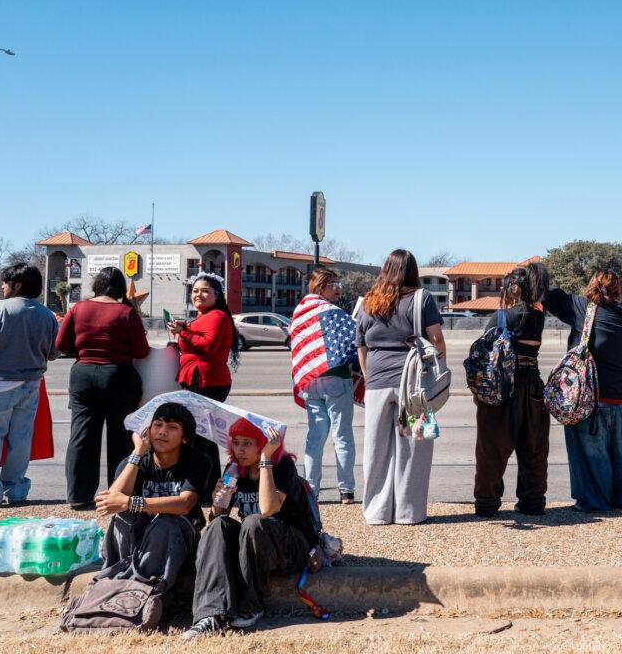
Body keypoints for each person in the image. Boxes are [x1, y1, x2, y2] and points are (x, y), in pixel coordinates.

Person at [184, 420, 316, 638]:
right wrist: (219, 502)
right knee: (219, 526)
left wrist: (265, 460)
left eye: (248, 443)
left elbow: (268, 509)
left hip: (291, 544)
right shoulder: (234, 468)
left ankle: (252, 605)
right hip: (255, 544)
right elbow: (218, 517)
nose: (240, 450)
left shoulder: (283, 466)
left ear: (264, 444)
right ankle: (210, 614)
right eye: (236, 443)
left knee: (253, 522)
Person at [355, 249, 446, 525]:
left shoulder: (369, 301)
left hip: (377, 381)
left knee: (375, 449)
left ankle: (377, 511)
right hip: (414, 384)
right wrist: (436, 368)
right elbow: (437, 339)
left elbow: (361, 345)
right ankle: (409, 512)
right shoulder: (422, 298)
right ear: (413, 271)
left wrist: (370, 375)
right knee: (414, 448)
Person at [544, 269, 622, 512]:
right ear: (617, 290)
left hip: (592, 396)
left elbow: (551, 296)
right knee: (617, 453)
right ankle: (617, 499)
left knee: (589, 455)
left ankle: (593, 501)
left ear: (592, 286)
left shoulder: (584, 309)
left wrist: (536, 273)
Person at [57, 266, 150, 509]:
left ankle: (78, 496)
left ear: (96, 285)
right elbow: (141, 351)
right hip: (118, 375)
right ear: (120, 288)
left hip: (83, 373)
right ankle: (118, 493)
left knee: (82, 435)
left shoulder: (77, 308)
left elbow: (61, 343)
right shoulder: (126, 312)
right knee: (122, 436)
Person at [0, 264, 59, 507]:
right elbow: (53, 352)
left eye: (5, 282)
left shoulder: (0, 309)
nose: (2, 286)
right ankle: (16, 490)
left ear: (17, 285)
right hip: (31, 384)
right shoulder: (47, 314)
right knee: (21, 438)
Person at [95, 403, 210, 594]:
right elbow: (111, 502)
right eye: (157, 425)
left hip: (179, 539)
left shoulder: (198, 461)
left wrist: (132, 502)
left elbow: (184, 505)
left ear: (185, 438)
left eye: (172, 427)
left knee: (165, 522)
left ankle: (148, 590)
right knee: (123, 518)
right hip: (139, 539)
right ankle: (119, 580)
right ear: (147, 430)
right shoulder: (135, 460)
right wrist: (137, 453)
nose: (162, 432)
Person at [474, 266, 549, 517]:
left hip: (503, 390)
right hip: (534, 388)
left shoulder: (503, 317)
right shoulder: (538, 315)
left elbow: (483, 355)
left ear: (514, 287)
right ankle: (533, 501)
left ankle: (487, 503)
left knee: (491, 451)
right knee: (534, 450)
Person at [291, 267, 358, 504]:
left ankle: (311, 490)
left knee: (315, 437)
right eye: (335, 285)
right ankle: (346, 490)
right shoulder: (332, 312)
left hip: (310, 381)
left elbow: (298, 346)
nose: (338, 290)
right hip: (337, 378)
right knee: (342, 436)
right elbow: (355, 339)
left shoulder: (299, 311)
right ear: (321, 287)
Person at [168, 271, 239, 493]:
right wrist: (185, 330)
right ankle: (208, 489)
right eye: (195, 291)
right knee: (203, 437)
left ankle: (199, 489)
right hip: (199, 378)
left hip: (206, 380)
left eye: (205, 291)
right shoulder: (203, 316)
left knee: (199, 437)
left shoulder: (217, 316)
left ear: (217, 295)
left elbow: (208, 345)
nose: (199, 294)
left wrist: (183, 332)